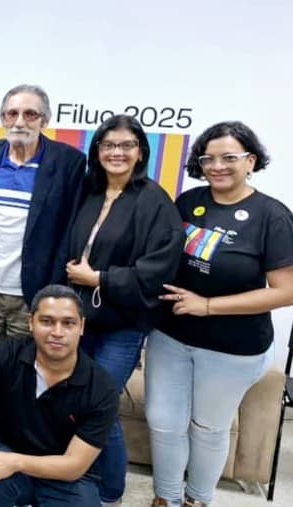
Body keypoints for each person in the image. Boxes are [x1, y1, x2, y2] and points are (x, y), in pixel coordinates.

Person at [146, 121, 293, 507]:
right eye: (208, 158)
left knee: (208, 428)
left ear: (251, 161)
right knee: (163, 422)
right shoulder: (189, 201)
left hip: (232, 347)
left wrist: (208, 306)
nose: (217, 166)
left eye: (229, 157)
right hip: (171, 335)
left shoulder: (271, 216)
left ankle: (197, 499)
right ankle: (167, 497)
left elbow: (286, 291)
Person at [64, 115, 184, 506]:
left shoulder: (155, 201)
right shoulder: (88, 191)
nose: (117, 152)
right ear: (97, 151)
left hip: (123, 325)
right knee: (77, 400)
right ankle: (80, 475)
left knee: (99, 403)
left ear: (141, 153)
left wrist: (99, 278)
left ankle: (110, 492)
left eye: (126, 145)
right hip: (80, 319)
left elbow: (159, 269)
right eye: (108, 145)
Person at [0, 284, 120, 507]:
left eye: (68, 323)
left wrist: (17, 462)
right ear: (30, 322)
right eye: (46, 321)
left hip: (63, 473)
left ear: (81, 326)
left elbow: (74, 465)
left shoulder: (101, 387)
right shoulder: (10, 352)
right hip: (7, 451)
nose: (57, 332)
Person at [0, 84, 85, 365]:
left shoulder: (68, 161)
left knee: (23, 371)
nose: (20, 122)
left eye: (30, 114)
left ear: (45, 121)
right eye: (12, 113)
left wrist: (54, 289)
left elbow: (72, 229)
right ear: (2, 118)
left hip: (34, 293)